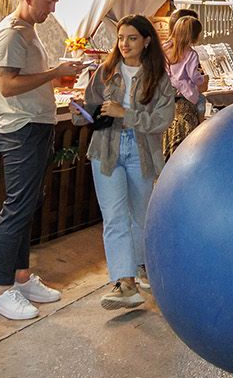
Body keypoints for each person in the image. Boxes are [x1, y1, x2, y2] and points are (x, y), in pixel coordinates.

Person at [0, 0, 85, 321]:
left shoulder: (28, 31)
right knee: (17, 208)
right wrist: (53, 73)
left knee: (27, 205)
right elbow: (8, 84)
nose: (52, 9)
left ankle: (21, 277)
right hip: (20, 129)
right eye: (49, 2)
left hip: (34, 124)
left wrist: (55, 78)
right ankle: (0, 288)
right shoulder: (12, 33)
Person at [74, 15, 176, 310]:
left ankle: (143, 266)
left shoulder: (158, 77)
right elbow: (91, 106)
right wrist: (81, 112)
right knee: (115, 217)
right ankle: (124, 283)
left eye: (131, 38)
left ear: (146, 41)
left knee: (140, 216)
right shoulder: (105, 71)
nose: (125, 44)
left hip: (141, 152)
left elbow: (162, 120)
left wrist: (126, 114)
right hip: (106, 150)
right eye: (121, 38)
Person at [163, 15, 207, 155]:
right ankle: (202, 125)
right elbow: (194, 76)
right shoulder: (191, 54)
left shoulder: (165, 50)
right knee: (201, 101)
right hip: (186, 94)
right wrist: (202, 79)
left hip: (167, 95)